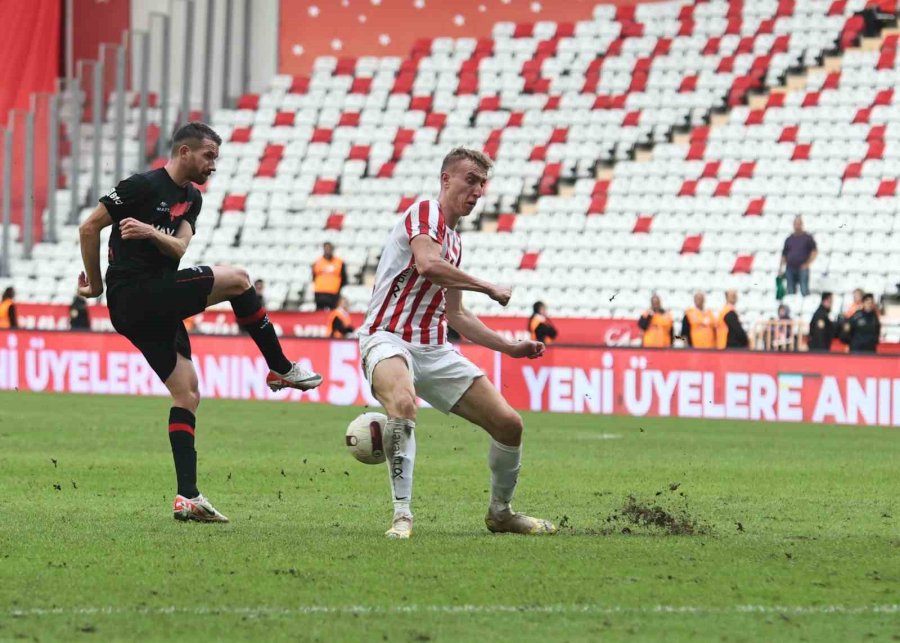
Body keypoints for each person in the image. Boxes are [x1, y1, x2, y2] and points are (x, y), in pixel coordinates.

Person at [77, 122, 323, 524]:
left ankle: (188, 496)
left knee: (187, 393)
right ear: (185, 152)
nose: (213, 165)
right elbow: (89, 227)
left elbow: (179, 246)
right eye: (209, 156)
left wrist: (149, 233)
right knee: (239, 280)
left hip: (151, 305)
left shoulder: (192, 199)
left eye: (216, 158)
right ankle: (279, 368)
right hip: (135, 293)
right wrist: (96, 284)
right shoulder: (141, 186)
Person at [358, 147, 555, 539]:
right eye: (471, 180)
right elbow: (427, 265)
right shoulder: (424, 213)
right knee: (402, 401)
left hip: (434, 350)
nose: (478, 190)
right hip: (387, 338)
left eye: (482, 183)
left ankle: (501, 513)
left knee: (509, 425)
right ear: (446, 179)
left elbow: (457, 316)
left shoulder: (455, 242)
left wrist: (509, 347)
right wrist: (488, 286)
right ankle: (402, 515)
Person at [778, 215, 817, 297]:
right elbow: (784, 255)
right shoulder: (789, 239)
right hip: (790, 268)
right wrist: (780, 269)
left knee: (804, 290)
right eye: (796, 224)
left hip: (802, 268)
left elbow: (814, 251)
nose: (797, 226)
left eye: (799, 224)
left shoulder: (807, 238)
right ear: (793, 225)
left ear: (802, 224)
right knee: (790, 291)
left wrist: (807, 264)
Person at [312, 242, 347, 310]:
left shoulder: (339, 262)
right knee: (319, 312)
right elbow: (313, 276)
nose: (327, 250)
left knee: (332, 313)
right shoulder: (317, 262)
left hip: (333, 292)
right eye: (326, 248)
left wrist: (338, 287)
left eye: (329, 248)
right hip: (320, 292)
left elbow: (344, 278)